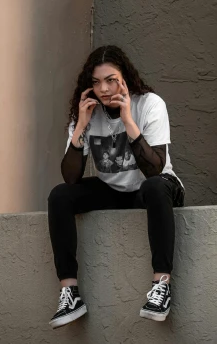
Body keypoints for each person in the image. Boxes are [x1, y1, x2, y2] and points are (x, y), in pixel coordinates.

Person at [47, 45, 185, 329]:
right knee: (60, 196)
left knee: (156, 187)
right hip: (114, 190)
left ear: (125, 77)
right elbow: (70, 177)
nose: (104, 89)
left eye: (111, 79)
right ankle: (70, 293)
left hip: (156, 186)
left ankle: (162, 286)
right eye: (96, 82)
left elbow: (154, 168)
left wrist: (128, 120)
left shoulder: (149, 104)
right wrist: (81, 126)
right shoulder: (85, 113)